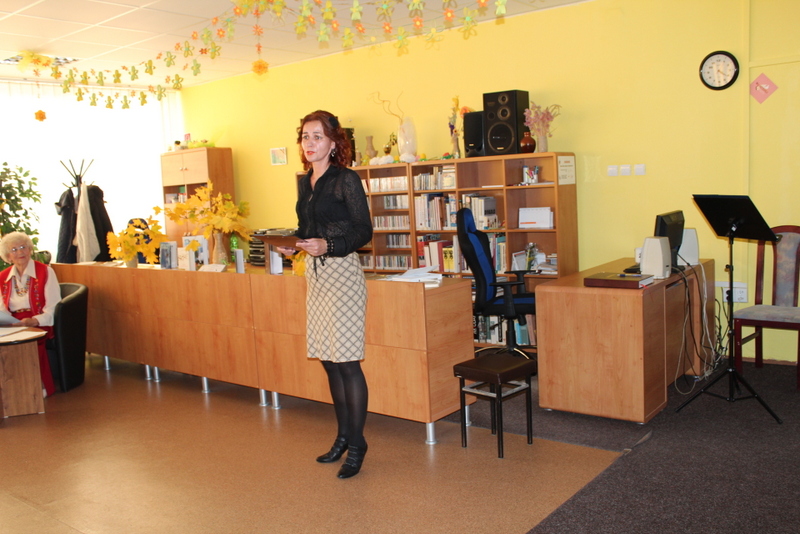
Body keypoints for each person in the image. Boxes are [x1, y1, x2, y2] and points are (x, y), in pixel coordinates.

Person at [277, 110, 373, 479]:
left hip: (343, 274)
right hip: (315, 277)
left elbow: (363, 230)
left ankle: (358, 444)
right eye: (305, 136)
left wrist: (328, 245)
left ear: (333, 142)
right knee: (329, 361)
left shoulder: (346, 179)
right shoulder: (306, 183)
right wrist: (294, 244)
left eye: (317, 136)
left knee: (347, 362)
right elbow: (307, 228)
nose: (310, 143)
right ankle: (343, 436)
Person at [0, 232, 61, 397]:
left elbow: (54, 306)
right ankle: (9, 390)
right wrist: (8, 322)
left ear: (30, 249)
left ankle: (38, 387)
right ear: (8, 256)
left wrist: (34, 321)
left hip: (39, 321)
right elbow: (2, 308)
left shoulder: (46, 271)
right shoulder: (2, 277)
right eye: (14, 249)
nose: (20, 252)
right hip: (13, 322)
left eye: (23, 247)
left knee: (29, 340)